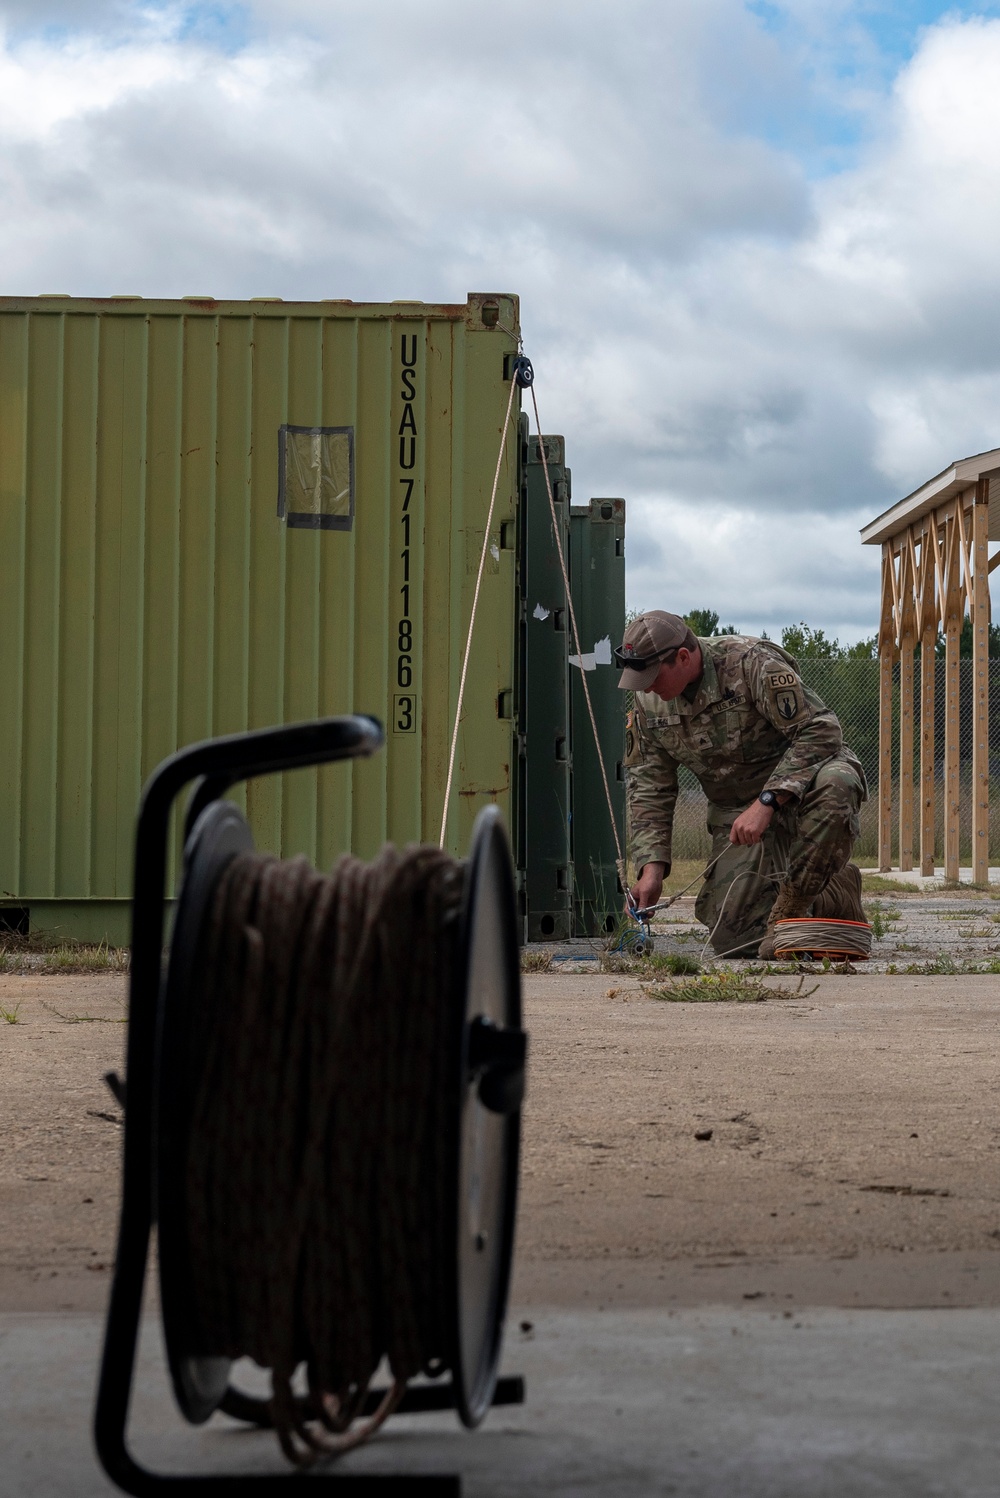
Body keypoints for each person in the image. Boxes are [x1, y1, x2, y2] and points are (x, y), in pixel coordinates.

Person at [617, 611, 867, 958]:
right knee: (736, 942)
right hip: (736, 811)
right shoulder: (648, 702)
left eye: (652, 676)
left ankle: (794, 906)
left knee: (838, 783)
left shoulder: (750, 663)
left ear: (684, 658)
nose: (645, 687)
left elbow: (821, 730)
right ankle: (831, 890)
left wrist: (767, 800)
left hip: (805, 786)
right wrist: (651, 869)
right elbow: (649, 786)